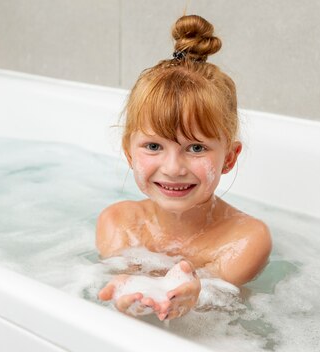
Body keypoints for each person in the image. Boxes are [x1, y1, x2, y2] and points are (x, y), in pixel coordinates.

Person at [96, 14, 272, 321]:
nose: (173, 168)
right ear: (128, 153)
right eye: (153, 146)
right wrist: (126, 297)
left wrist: (201, 297)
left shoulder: (246, 240)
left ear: (229, 158)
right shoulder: (117, 223)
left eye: (196, 148)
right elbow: (119, 287)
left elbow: (228, 313)